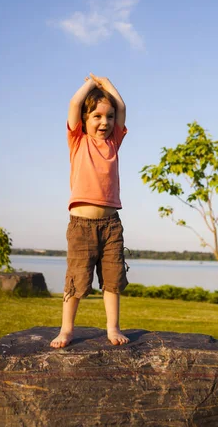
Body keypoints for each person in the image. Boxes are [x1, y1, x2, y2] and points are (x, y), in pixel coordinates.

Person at [50, 73, 129, 348]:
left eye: (108, 117)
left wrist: (108, 85)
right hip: (81, 226)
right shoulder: (77, 141)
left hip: (111, 226)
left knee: (112, 280)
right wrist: (92, 85)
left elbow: (123, 108)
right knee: (76, 282)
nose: (104, 122)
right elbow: (74, 104)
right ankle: (66, 330)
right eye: (97, 116)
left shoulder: (114, 142)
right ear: (85, 120)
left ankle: (113, 328)